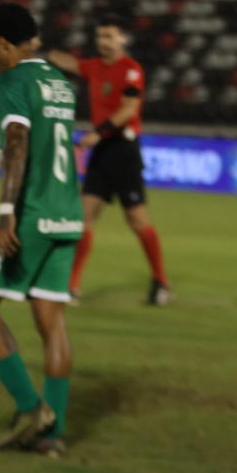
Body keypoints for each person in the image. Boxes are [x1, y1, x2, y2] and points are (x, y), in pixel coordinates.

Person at [0, 3, 82, 458]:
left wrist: (8, 212)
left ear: (6, 45)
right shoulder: (59, 82)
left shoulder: (14, 81)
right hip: (68, 214)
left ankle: (34, 410)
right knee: (52, 322)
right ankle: (53, 435)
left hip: (30, 213)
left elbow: (17, 142)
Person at [47, 15, 170, 305]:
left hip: (123, 151)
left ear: (123, 39)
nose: (104, 42)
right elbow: (70, 63)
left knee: (137, 220)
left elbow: (129, 109)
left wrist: (96, 134)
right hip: (103, 151)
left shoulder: (131, 70)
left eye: (110, 36)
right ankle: (72, 287)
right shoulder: (94, 67)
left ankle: (161, 282)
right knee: (84, 217)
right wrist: (39, 51)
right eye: (101, 36)